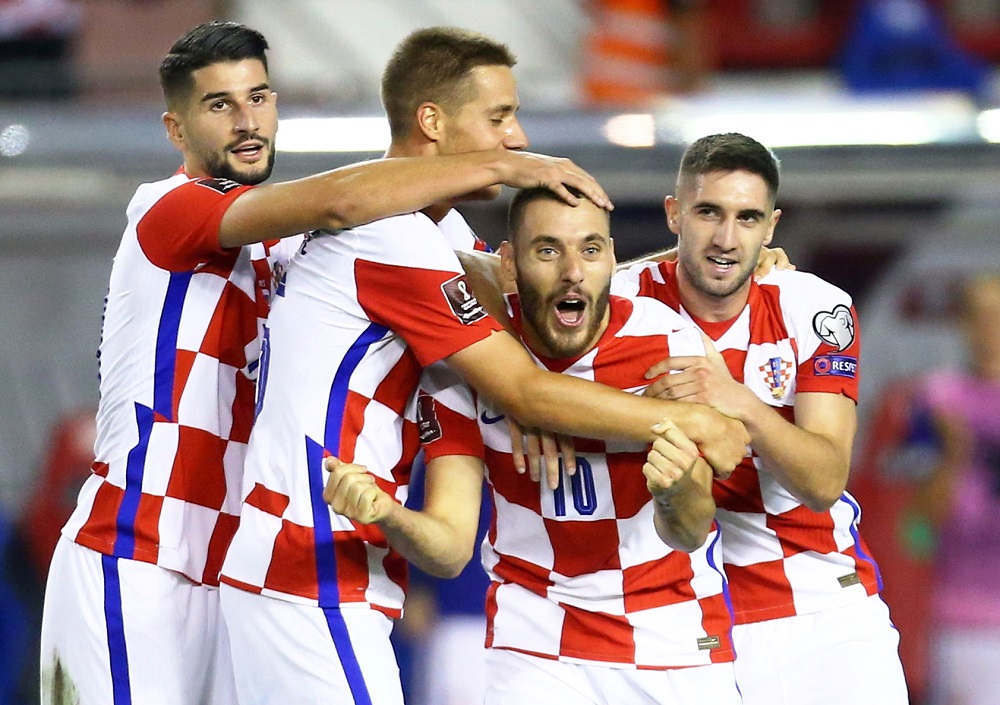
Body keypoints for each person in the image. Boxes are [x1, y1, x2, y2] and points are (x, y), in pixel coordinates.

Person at [37, 19, 633, 705]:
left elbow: (522, 290)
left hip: (234, 569)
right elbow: (348, 200)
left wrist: (675, 284)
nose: (247, 121)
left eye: (259, 97)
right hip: (137, 552)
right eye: (220, 105)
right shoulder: (168, 208)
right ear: (176, 129)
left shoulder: (293, 245)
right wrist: (501, 166)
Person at [218, 27, 748, 705]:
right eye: (498, 118)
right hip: (307, 552)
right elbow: (525, 389)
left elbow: (544, 283)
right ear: (432, 122)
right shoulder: (390, 235)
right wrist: (697, 422)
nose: (517, 139)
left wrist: (695, 265)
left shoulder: (433, 236)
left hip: (319, 560)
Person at [326, 186, 740, 704]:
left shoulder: (665, 343)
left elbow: (690, 530)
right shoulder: (462, 373)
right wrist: (389, 515)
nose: (572, 271)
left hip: (671, 638)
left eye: (590, 249)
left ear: (612, 260)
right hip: (533, 644)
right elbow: (450, 549)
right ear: (508, 265)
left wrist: (675, 493)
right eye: (547, 250)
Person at [611, 132, 908, 704]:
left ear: (771, 227)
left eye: (747, 218)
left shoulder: (813, 306)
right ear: (674, 214)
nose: (727, 238)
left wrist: (742, 403)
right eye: (708, 213)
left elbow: (825, 480)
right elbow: (519, 299)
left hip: (821, 612)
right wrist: (533, 421)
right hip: (675, 622)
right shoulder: (620, 303)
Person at [905, 272, 1000, 705]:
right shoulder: (938, 399)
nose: (989, 329)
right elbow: (917, 527)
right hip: (964, 615)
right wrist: (953, 454)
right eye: (980, 317)